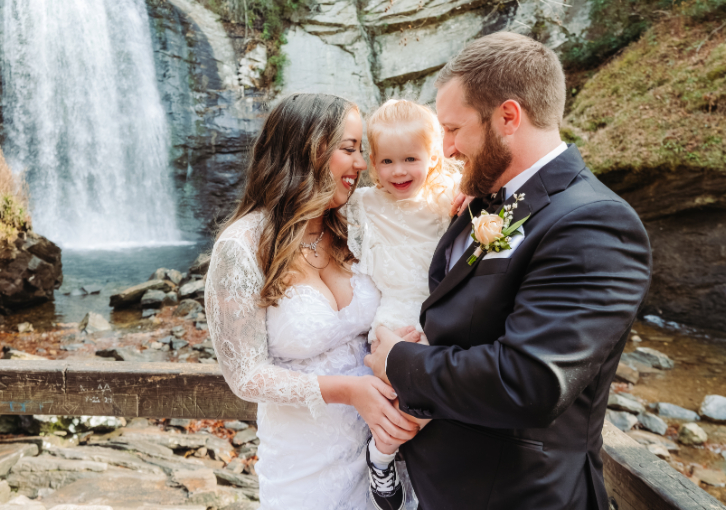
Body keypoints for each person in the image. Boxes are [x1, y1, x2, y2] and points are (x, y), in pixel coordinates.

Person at [365, 31, 652, 510]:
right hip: (444, 487)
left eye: (455, 130)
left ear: (508, 117)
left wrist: (398, 362)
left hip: (515, 495)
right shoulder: (490, 199)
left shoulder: (595, 222)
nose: (449, 150)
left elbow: (528, 382)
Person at [204, 93, 419, 509]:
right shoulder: (242, 247)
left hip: (388, 453)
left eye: (362, 151)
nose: (362, 165)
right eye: (349, 149)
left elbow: (421, 217)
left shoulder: (357, 223)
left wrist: (463, 203)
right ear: (307, 151)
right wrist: (349, 391)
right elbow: (245, 375)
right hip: (304, 467)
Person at [344, 99, 466, 510]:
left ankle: (382, 454)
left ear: (433, 157)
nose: (399, 171)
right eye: (387, 161)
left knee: (436, 396)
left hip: (440, 317)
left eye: (411, 159)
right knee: (392, 392)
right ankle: (385, 455)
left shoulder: (447, 199)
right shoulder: (363, 204)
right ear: (373, 163)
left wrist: (470, 193)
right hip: (393, 316)